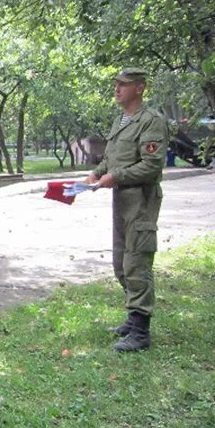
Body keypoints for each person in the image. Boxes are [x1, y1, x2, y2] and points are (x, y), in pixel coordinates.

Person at [85, 68, 168, 352]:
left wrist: (115, 177)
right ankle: (132, 320)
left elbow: (151, 165)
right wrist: (95, 174)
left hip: (141, 199)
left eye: (124, 85)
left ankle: (141, 332)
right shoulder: (122, 121)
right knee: (121, 261)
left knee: (137, 262)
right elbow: (110, 158)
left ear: (140, 88)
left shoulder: (151, 121)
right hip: (121, 199)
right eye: (116, 84)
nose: (117, 89)